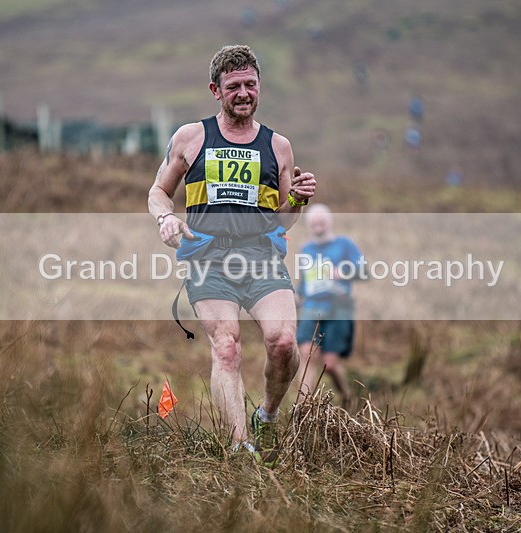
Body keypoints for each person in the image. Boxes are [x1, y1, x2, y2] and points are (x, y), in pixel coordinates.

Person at [147, 45, 316, 466]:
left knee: (282, 343)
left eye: (250, 85)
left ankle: (267, 416)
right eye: (233, 86)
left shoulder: (279, 147)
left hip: (261, 258)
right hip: (207, 260)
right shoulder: (191, 137)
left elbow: (283, 222)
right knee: (227, 347)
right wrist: (165, 220)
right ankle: (242, 449)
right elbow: (158, 192)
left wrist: (296, 201)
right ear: (216, 90)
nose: (243, 93)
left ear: (260, 88)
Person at [294, 204, 363, 408]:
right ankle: (303, 410)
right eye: (314, 223)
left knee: (329, 364)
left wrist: (344, 273)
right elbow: (304, 281)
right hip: (311, 307)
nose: (318, 226)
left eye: (321, 222)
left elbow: (363, 270)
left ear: (329, 222)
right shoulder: (305, 249)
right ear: (309, 225)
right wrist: (297, 296)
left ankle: (347, 397)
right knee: (306, 356)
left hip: (338, 308)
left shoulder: (344, 245)